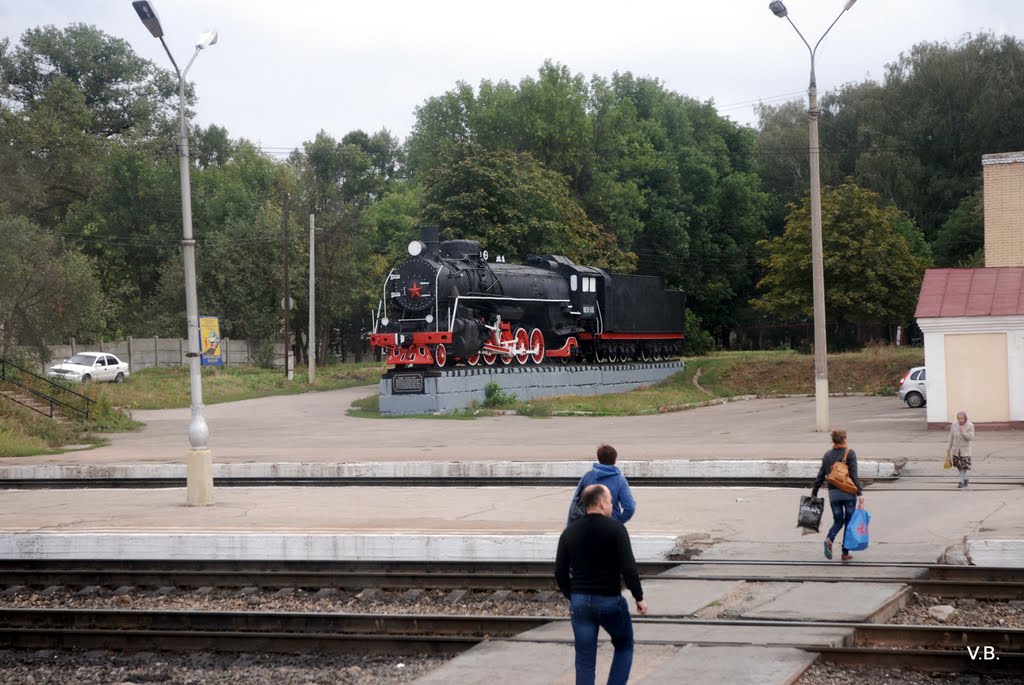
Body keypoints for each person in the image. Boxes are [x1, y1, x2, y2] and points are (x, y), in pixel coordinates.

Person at [555, 484, 648, 685]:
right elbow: (629, 567)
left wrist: (573, 596)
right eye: (611, 502)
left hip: (580, 602)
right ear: (602, 503)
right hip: (609, 601)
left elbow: (559, 572)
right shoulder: (616, 529)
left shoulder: (569, 532)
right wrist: (638, 597)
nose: (612, 505)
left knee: (584, 659)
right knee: (624, 646)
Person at [811, 429, 865, 562]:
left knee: (838, 521)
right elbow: (854, 475)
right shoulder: (850, 453)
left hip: (834, 494)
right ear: (845, 439)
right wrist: (860, 493)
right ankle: (845, 553)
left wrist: (814, 492)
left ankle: (829, 538)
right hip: (848, 493)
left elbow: (820, 475)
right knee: (849, 522)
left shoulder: (827, 455)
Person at [567, 444, 636, 526]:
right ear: (614, 460)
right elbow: (630, 507)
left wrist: (571, 527)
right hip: (610, 525)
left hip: (588, 525)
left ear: (599, 459)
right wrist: (618, 522)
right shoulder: (620, 480)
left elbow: (575, 503)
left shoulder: (587, 476)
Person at [948, 410, 975, 488]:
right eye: (958, 418)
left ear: (965, 418)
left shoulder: (970, 425)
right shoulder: (954, 425)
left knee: (963, 466)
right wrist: (948, 448)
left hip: (965, 451)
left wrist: (963, 432)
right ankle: (965, 479)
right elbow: (951, 437)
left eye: (962, 418)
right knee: (958, 466)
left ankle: (961, 482)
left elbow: (971, 438)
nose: (960, 420)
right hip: (956, 450)